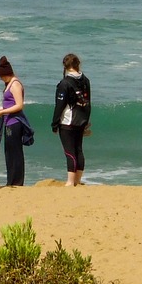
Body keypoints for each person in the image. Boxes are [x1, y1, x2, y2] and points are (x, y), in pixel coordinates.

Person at [51, 53, 91, 187]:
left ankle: (70, 182)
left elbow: (60, 106)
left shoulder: (65, 83)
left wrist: (55, 123)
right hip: (81, 119)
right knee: (78, 149)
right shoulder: (85, 80)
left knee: (70, 151)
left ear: (65, 66)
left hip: (68, 121)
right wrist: (86, 121)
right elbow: (88, 101)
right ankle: (78, 180)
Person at [0, 56, 27, 186]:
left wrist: (2, 112)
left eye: (1, 76)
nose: (0, 79)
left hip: (15, 123)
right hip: (8, 122)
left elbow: (19, 105)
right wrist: (0, 109)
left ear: (6, 73)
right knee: (9, 153)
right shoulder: (9, 84)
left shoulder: (15, 84)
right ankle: (11, 181)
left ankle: (17, 182)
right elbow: (9, 104)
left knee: (15, 153)